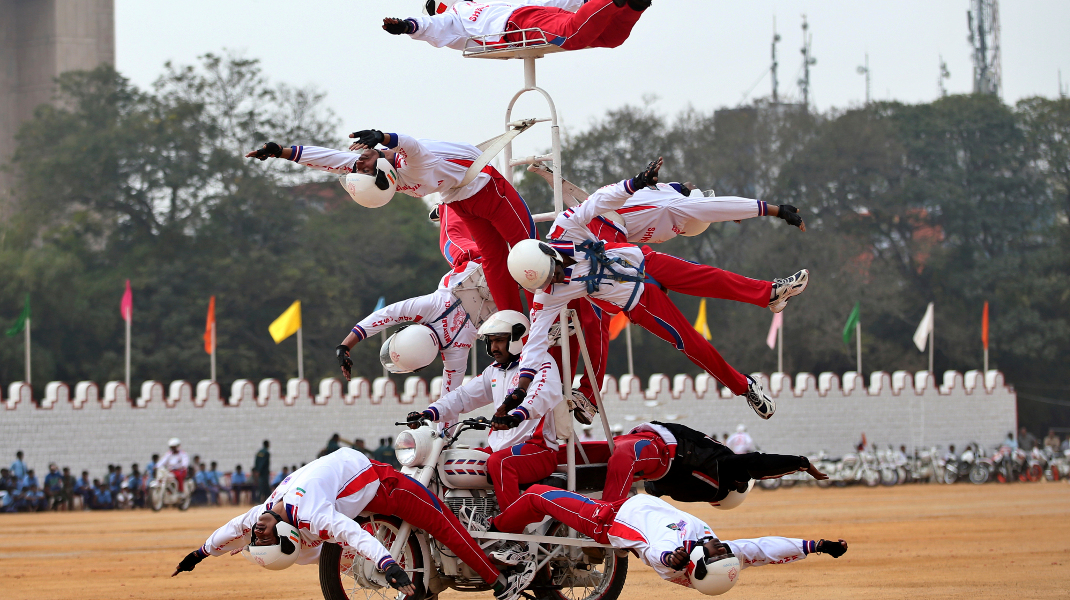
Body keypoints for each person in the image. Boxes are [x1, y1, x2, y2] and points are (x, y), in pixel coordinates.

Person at [505, 158, 776, 419]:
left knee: (708, 277)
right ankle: (743, 386)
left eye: (555, 273)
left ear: (550, 254)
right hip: (635, 297)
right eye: (549, 281)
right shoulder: (549, 293)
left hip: (641, 259)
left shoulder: (566, 228)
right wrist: (520, 390)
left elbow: (598, 200)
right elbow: (535, 346)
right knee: (689, 343)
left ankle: (770, 293)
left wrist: (636, 182)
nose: (557, 280)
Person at [171, 448, 533, 600]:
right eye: (262, 538)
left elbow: (229, 531)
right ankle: (499, 579)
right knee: (445, 524)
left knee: (442, 523)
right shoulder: (311, 515)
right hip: (384, 487)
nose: (256, 532)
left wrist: (200, 553)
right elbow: (352, 535)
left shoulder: (261, 514)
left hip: (364, 481)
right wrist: (388, 565)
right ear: (283, 538)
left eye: (256, 537)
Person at [246, 128, 536, 315]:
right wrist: (383, 138)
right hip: (485, 189)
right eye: (362, 165)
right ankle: (526, 317)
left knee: (497, 261)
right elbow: (411, 144)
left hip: (460, 197)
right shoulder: (414, 165)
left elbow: (328, 161)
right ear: (382, 174)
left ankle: (521, 316)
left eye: (360, 164)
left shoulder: (381, 176)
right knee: (526, 252)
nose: (358, 161)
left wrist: (280, 152)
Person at [479, 488, 847, 594]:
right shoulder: (719, 557)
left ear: (699, 565)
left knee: (537, 497)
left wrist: (673, 556)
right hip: (629, 498)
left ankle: (492, 530)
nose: (724, 545)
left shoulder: (668, 560)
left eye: (717, 551)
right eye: (725, 550)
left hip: (606, 519)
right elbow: (765, 548)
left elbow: (658, 553)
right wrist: (816, 546)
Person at [407, 310, 565, 510]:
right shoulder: (495, 370)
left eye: (499, 340)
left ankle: (510, 526)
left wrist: (517, 415)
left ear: (516, 338)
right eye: (490, 341)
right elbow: (463, 396)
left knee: (500, 463)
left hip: (537, 449)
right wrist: (429, 412)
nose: (493, 347)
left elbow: (541, 396)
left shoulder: (542, 363)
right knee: (451, 461)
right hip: (500, 449)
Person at [578, 421, 826, 504]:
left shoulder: (722, 468)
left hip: (653, 446)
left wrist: (802, 463)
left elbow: (758, 463)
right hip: (650, 456)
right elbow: (758, 463)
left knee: (579, 459)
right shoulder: (697, 491)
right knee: (593, 466)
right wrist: (801, 464)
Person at [334, 261, 483, 395]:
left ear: (421, 367)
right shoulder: (430, 307)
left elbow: (449, 403)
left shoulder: (456, 352)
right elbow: (384, 315)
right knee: (449, 230)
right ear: (403, 330)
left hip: (502, 298)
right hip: (476, 262)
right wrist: (345, 346)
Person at [384, 0, 650, 52]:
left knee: (572, 35)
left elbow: (430, 23)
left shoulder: (457, 15)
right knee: (608, 37)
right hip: (530, 16)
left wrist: (407, 26)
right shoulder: (483, 6)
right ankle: (634, 5)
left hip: (516, 25)